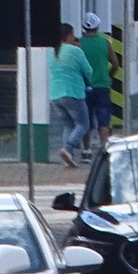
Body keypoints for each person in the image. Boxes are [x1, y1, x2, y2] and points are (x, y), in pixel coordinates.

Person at [49, 23, 94, 167]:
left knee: (68, 126)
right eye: (73, 35)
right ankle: (68, 148)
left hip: (55, 95)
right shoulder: (75, 51)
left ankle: (67, 157)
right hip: (73, 92)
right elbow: (89, 71)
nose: (74, 38)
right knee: (83, 124)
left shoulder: (52, 51)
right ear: (68, 35)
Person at [77, 13, 115, 150]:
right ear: (97, 26)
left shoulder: (79, 44)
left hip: (85, 87)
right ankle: (104, 149)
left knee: (85, 120)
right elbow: (115, 64)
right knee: (103, 120)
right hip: (103, 86)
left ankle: (86, 151)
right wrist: (108, 75)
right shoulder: (105, 42)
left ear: (83, 28)